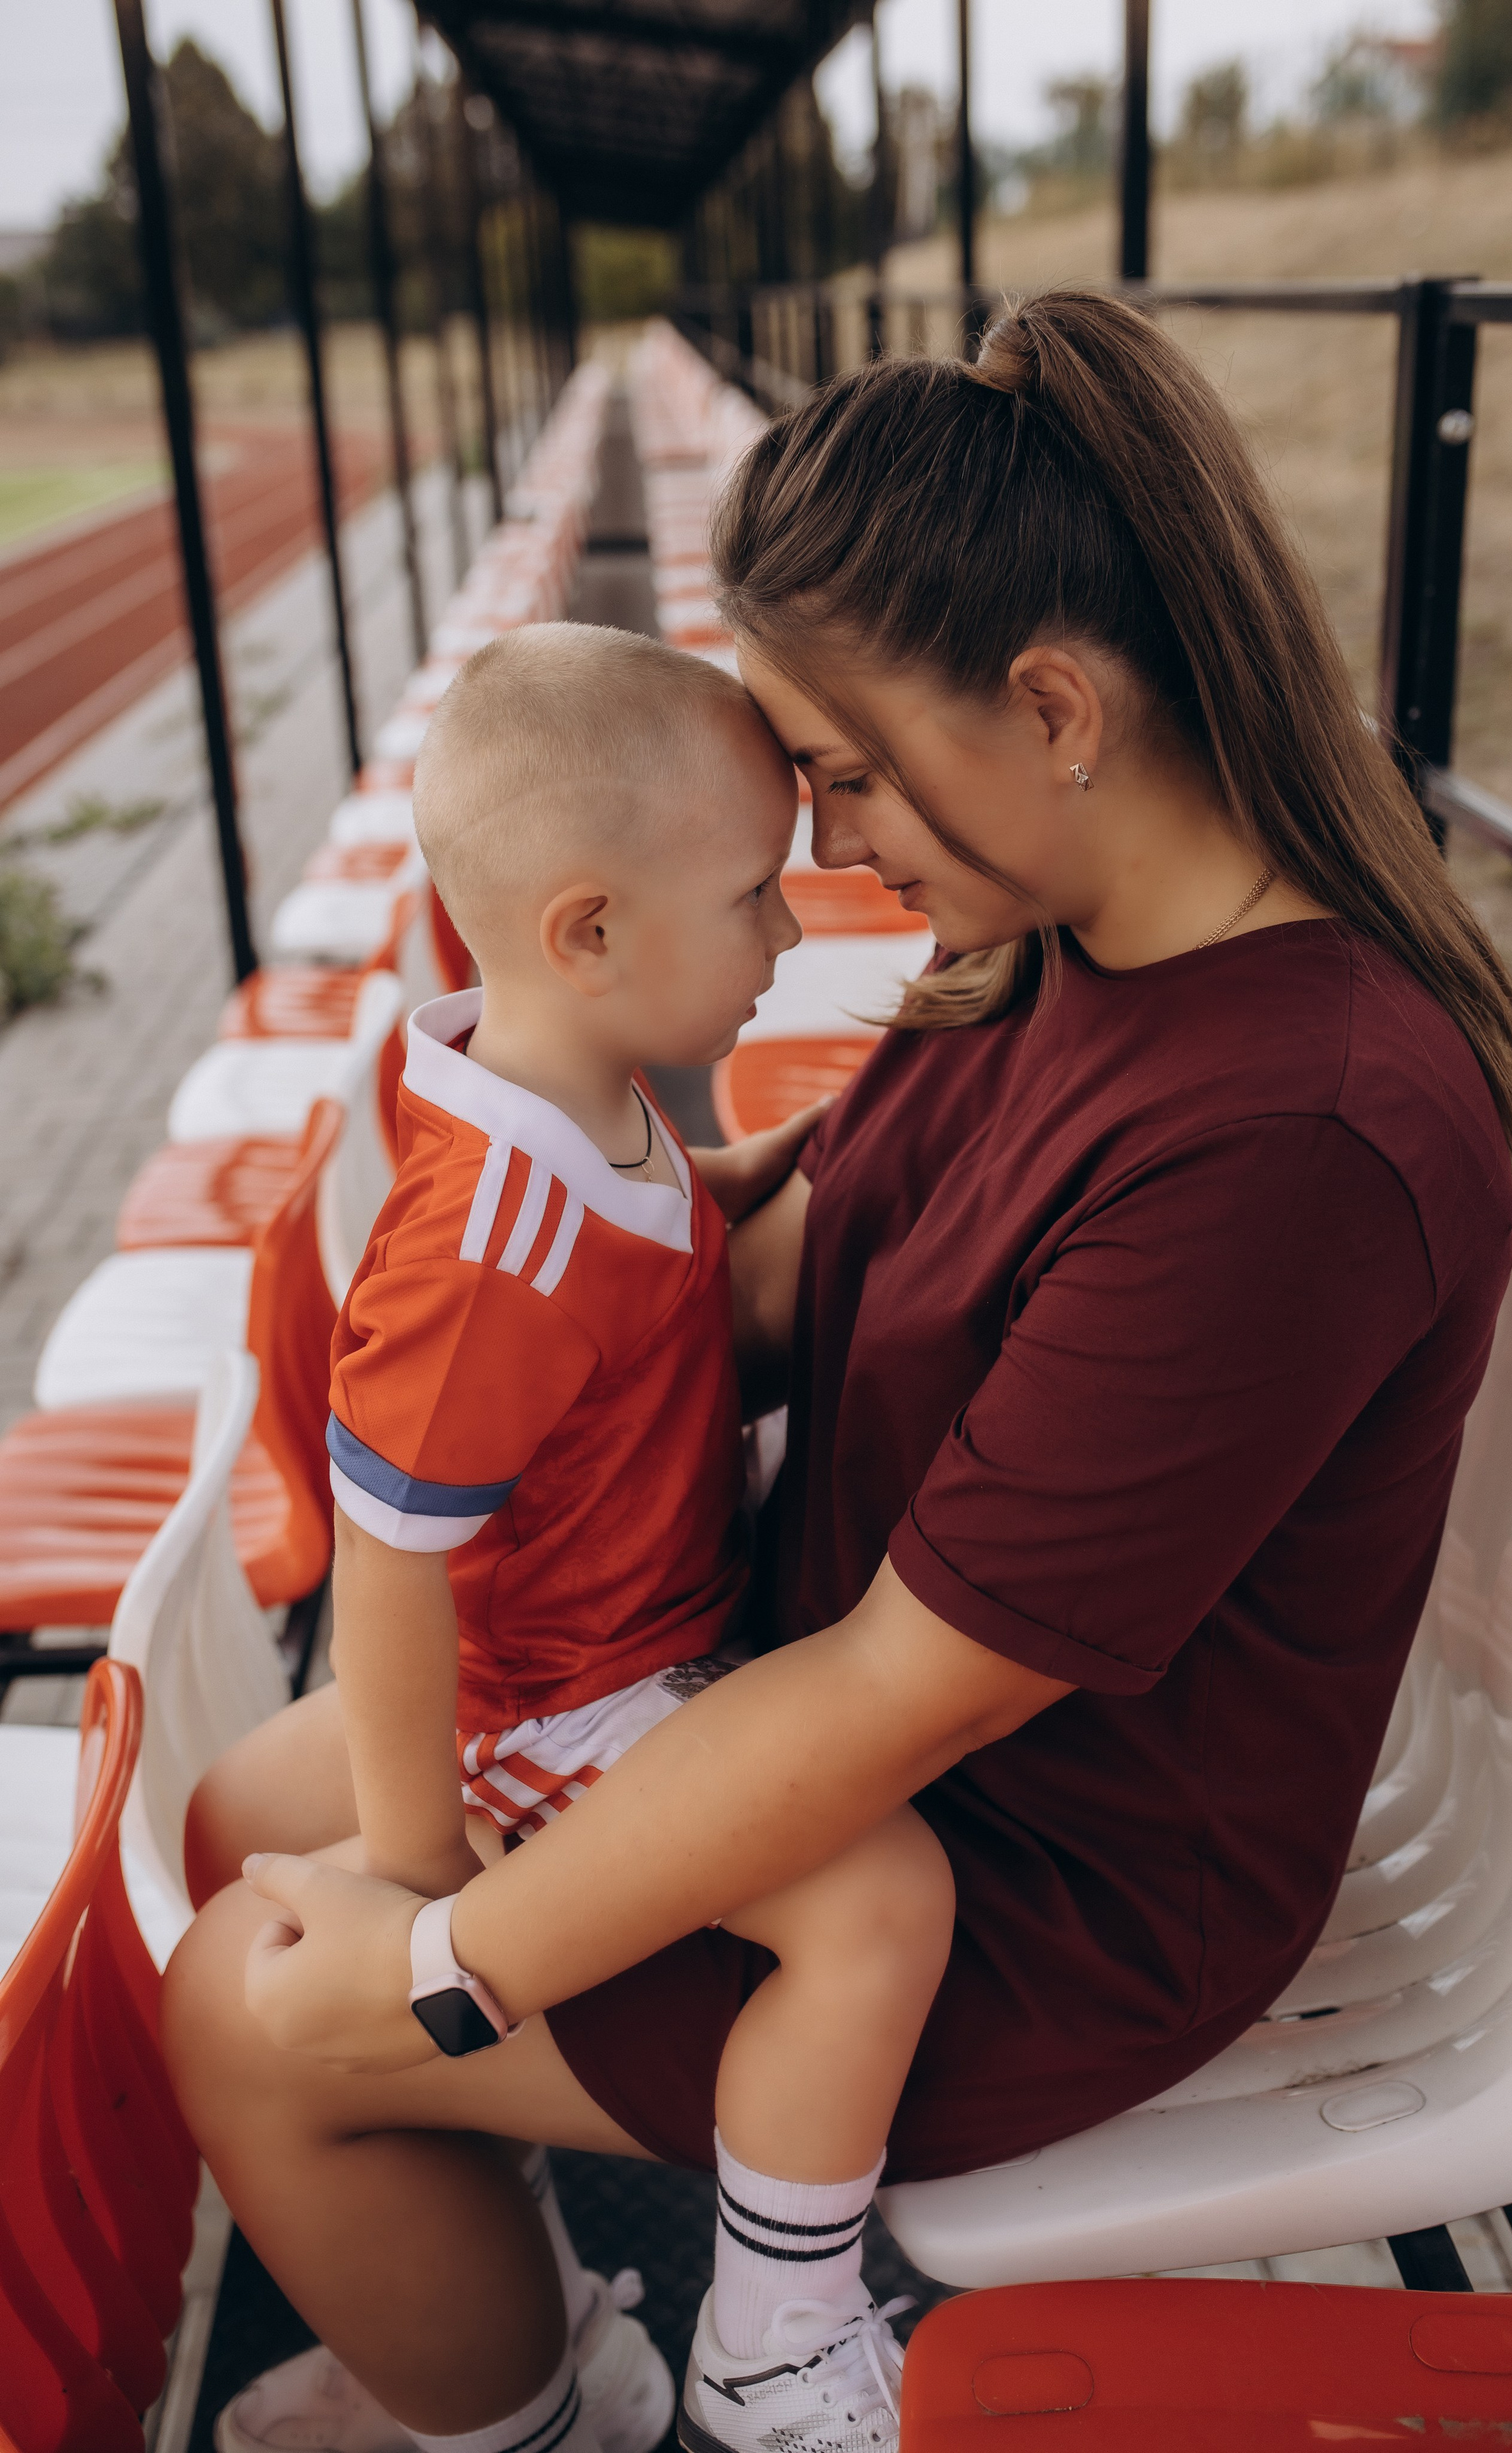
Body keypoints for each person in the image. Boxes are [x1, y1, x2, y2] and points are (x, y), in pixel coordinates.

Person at [165, 289, 1512, 2453]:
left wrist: (445, 1971)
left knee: (248, 2016)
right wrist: (514, 1209)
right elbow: (775, 1280)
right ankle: (492, 2292)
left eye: (850, 776)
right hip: (801, 1701)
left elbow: (909, 1693)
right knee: (240, 1817)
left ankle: (543, 2402)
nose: (821, 852)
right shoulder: (1043, 955)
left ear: (1057, 704)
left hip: (1029, 1898)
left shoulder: (1291, 1133)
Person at [194, 622, 957, 2453]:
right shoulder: (488, 1254)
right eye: (754, 897)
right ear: (592, 935)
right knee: (880, 1905)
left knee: (224, 1824)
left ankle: (497, 2258)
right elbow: (387, 1558)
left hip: (641, 1627)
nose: (791, 930)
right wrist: (416, 1869)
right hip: (577, 1691)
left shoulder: (561, 1087)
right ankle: (776, 2340)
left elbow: (631, 1214)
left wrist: (749, 1176)